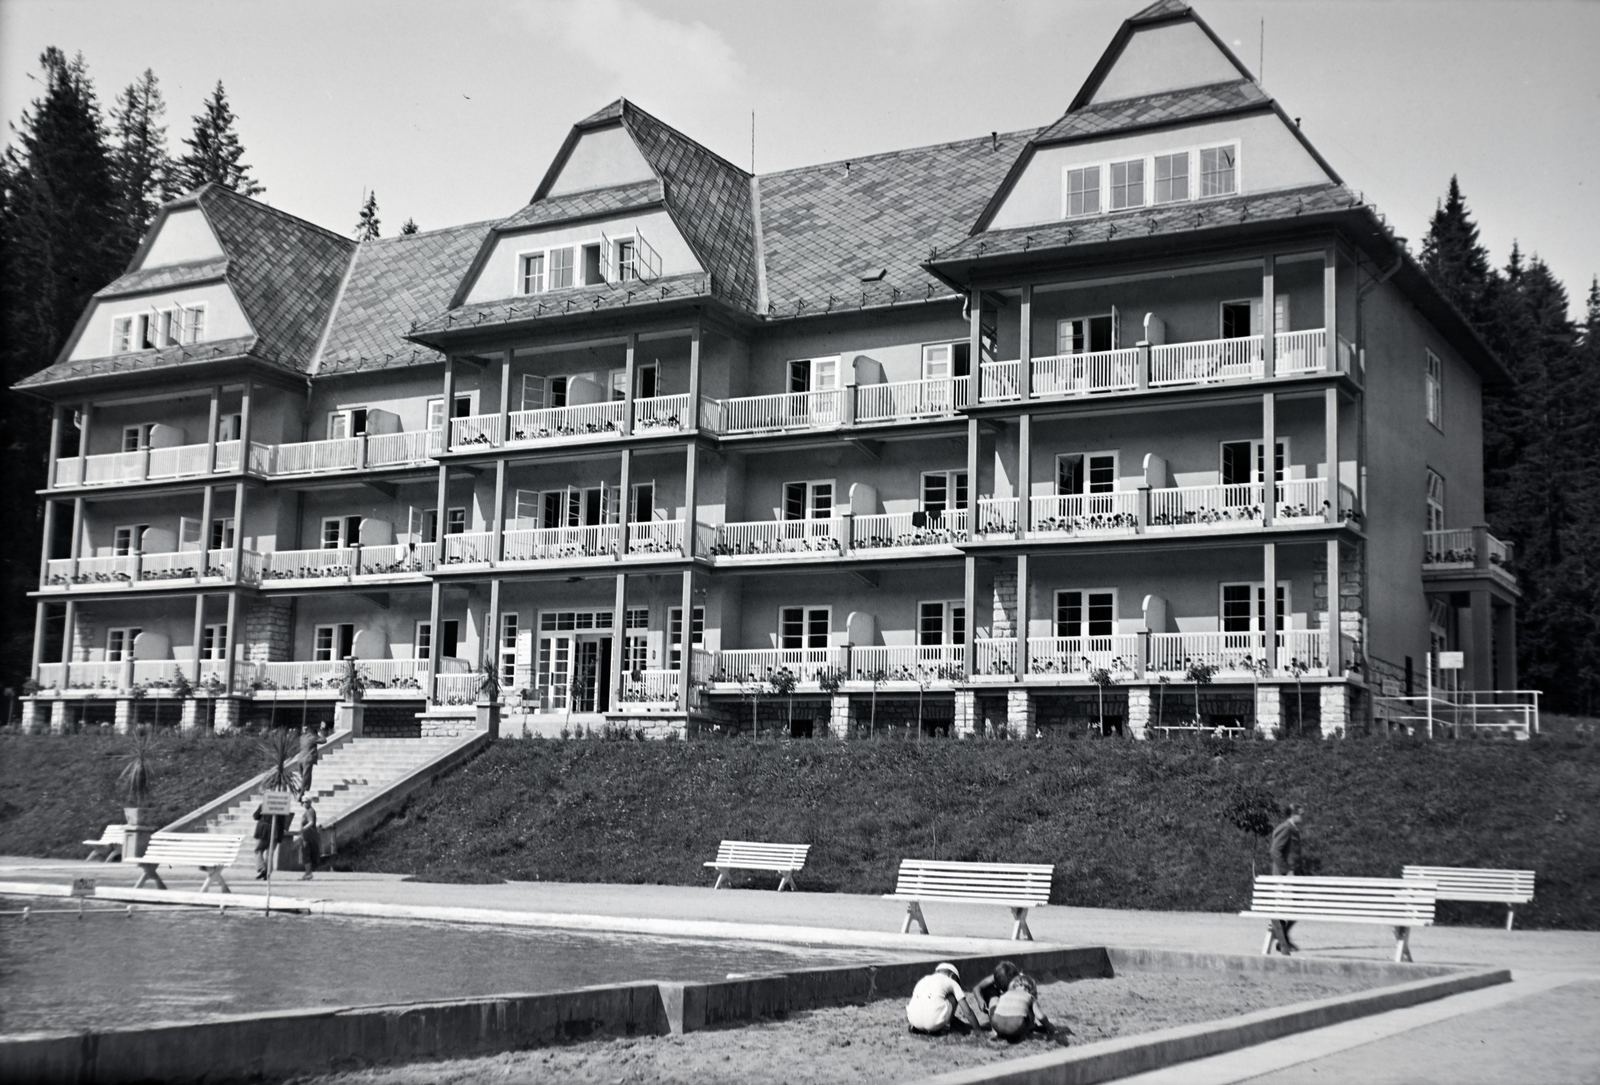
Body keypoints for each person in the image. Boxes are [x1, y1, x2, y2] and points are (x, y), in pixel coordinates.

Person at [1268, 802, 1306, 954]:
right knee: (1289, 909)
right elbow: (1275, 851)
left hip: (1292, 876)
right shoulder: (1286, 828)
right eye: (1301, 814)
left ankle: (1283, 939)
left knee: (1297, 907)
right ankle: (1283, 942)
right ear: (1293, 814)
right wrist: (1286, 871)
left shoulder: (1293, 829)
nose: (1303, 817)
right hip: (1284, 877)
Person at [955, 960, 1019, 1032]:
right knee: (988, 988)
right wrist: (980, 1001)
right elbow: (977, 988)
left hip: (1012, 1004)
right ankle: (993, 1018)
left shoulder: (1020, 982)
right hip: (997, 1001)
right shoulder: (996, 977)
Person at [989, 971, 1053, 1042]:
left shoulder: (1005, 994)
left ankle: (999, 1034)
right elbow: (1041, 1016)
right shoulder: (1029, 996)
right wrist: (1049, 1027)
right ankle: (1029, 1029)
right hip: (1016, 1028)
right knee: (1029, 1009)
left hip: (996, 1026)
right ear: (1029, 989)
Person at [905, 962, 965, 1035]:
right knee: (953, 996)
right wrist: (977, 1029)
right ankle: (946, 1025)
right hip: (933, 1023)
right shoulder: (951, 981)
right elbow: (968, 1012)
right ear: (953, 977)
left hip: (913, 1021)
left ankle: (917, 1026)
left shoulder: (923, 980)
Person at [252, 800, 293, 880]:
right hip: (276, 832)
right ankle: (268, 873)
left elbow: (255, 816)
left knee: (258, 850)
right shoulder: (281, 807)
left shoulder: (263, 804)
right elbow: (283, 822)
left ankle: (262, 868)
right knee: (270, 853)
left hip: (263, 831)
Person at [297, 799, 321, 881]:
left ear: (310, 802)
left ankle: (308, 873)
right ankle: (308, 873)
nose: (304, 803)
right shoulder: (308, 811)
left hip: (308, 837)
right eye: (303, 802)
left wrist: (303, 829)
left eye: (306, 802)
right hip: (306, 836)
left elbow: (311, 822)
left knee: (306, 853)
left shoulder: (310, 811)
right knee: (305, 854)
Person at [299, 728, 322, 796]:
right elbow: (324, 740)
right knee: (307, 776)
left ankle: (301, 787)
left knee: (303, 776)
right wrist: (319, 735)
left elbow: (303, 735)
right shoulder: (312, 738)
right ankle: (302, 792)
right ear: (314, 734)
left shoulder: (302, 738)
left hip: (300, 759)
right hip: (308, 759)